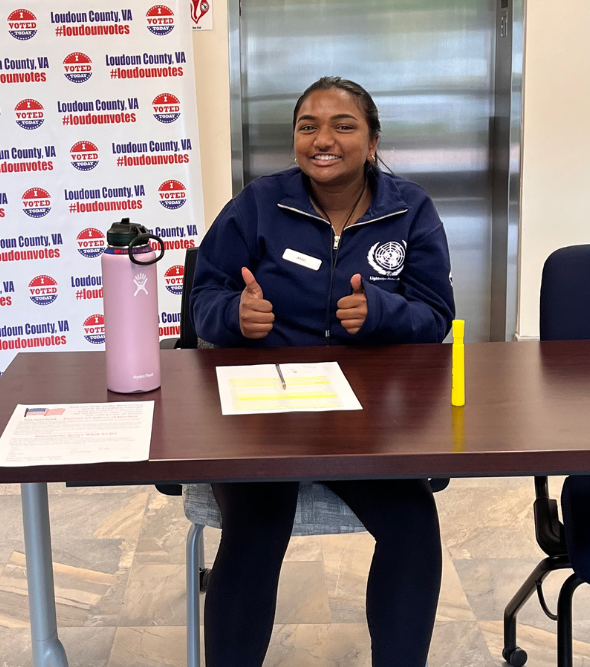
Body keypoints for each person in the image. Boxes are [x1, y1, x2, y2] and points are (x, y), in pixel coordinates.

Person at [190, 76, 455, 667]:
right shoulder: (259, 202)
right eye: (308, 126)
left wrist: (381, 313)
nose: (323, 139)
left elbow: (437, 315)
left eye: (343, 124)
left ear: (373, 139)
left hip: (365, 417)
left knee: (414, 530)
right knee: (255, 535)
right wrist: (235, 315)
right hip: (264, 409)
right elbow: (203, 293)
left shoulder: (410, 209)